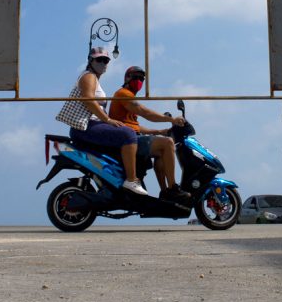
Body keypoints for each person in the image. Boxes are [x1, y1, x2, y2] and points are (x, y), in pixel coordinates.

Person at [64, 47, 148, 196]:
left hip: (92, 125)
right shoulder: (89, 76)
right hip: (86, 126)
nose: (103, 63)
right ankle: (131, 180)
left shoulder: (94, 79)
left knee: (124, 132)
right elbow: (88, 101)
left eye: (106, 60)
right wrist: (108, 120)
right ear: (90, 60)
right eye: (99, 59)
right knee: (128, 135)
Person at [109, 66, 190, 202]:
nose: (139, 81)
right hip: (128, 141)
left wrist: (160, 131)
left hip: (132, 136)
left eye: (142, 78)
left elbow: (135, 126)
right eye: (136, 77)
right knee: (168, 144)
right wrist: (172, 119)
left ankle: (164, 191)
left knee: (161, 152)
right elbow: (145, 112)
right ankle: (173, 188)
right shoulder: (124, 94)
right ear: (127, 78)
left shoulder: (129, 98)